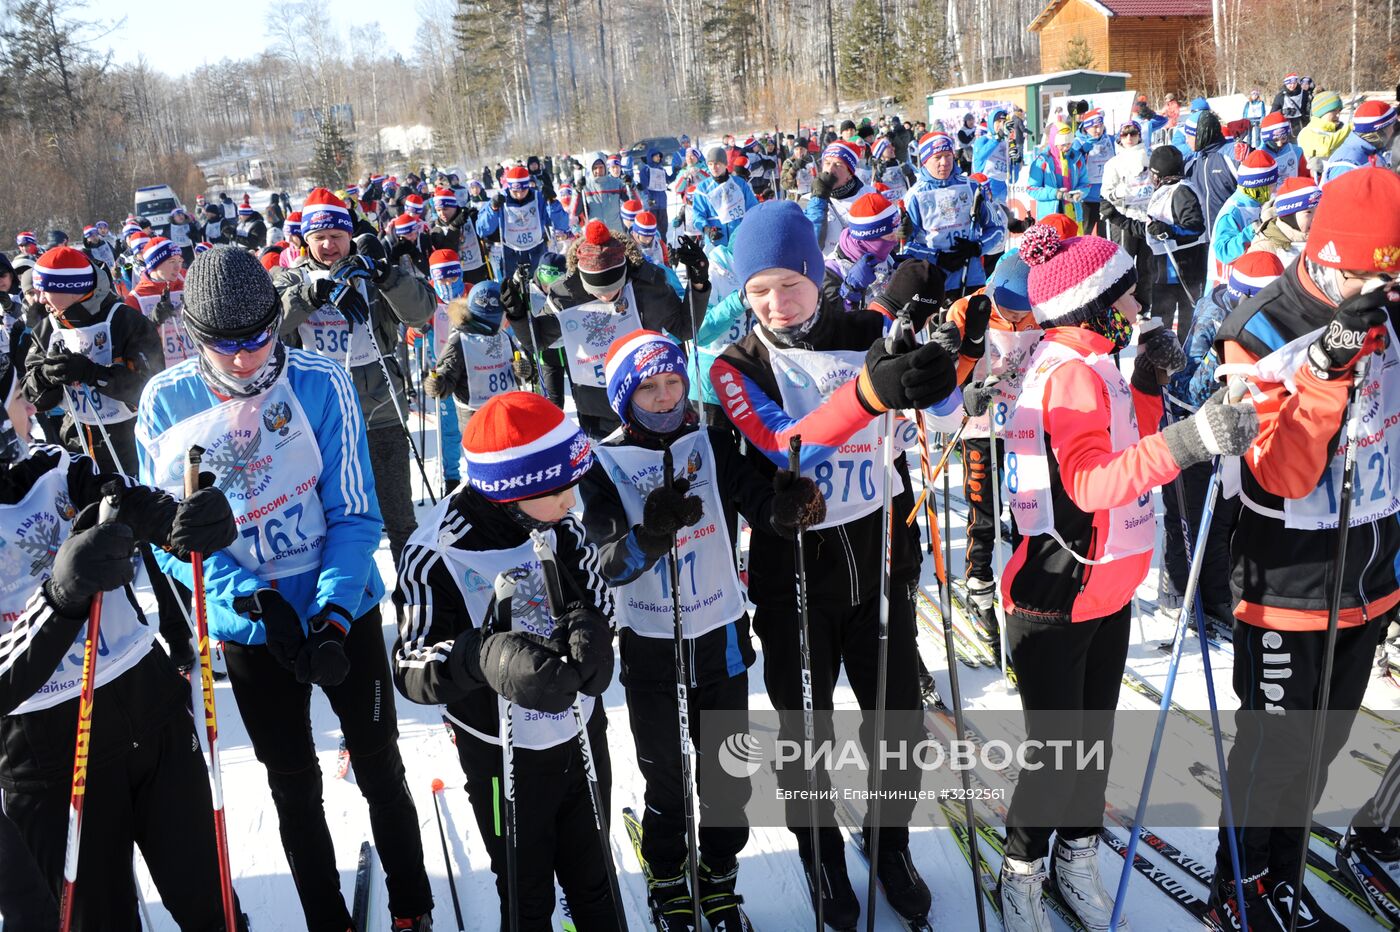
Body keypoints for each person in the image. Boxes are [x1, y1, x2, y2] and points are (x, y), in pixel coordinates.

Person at [137, 245, 435, 931]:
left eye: (260, 338)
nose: (247, 359)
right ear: (193, 335)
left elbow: (355, 514)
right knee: (293, 783)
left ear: (279, 318)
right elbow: (173, 539)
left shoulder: (320, 382)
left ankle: (412, 908)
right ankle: (326, 918)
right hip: (254, 628)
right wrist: (250, 601)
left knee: (378, 762)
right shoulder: (167, 402)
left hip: (342, 609)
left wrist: (330, 613)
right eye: (227, 346)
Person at [995, 223, 1257, 931]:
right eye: (1129, 295)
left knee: (1093, 744)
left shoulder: (1096, 357)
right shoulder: (1072, 370)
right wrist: (1191, 440)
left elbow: (1129, 437)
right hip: (1053, 596)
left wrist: (1147, 385)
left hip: (1103, 586)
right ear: (1091, 306)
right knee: (1056, 757)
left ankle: (1076, 853)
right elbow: (1089, 481)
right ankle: (1020, 870)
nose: (1141, 304)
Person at [709, 200, 959, 928]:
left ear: (817, 275)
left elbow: (943, 417)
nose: (776, 303)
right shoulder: (735, 365)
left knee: (896, 721)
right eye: (759, 289)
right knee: (806, 730)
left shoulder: (866, 333)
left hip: (879, 556)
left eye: (789, 283)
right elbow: (780, 441)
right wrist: (769, 504)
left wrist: (940, 377)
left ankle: (890, 846)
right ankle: (819, 856)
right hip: (797, 575)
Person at [1207, 166, 1400, 932]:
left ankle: (1278, 880)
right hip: (1286, 583)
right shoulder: (1260, 326)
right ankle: (1240, 889)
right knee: (1274, 754)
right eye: (1365, 274)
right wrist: (1325, 373)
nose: (1377, 291)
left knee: (1322, 748)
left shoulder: (1391, 310)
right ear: (1324, 255)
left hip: (1371, 578)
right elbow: (1280, 470)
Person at [579, 329, 824, 929]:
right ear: (623, 398)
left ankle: (718, 873)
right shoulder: (603, 462)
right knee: (666, 778)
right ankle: (666, 877)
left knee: (726, 775)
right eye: (649, 389)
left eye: (673, 383)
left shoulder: (711, 441)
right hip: (651, 645)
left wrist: (783, 508)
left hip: (721, 636)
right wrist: (651, 535)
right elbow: (609, 563)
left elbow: (753, 498)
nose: (665, 399)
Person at [0, 347, 245, 931]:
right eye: (14, 399)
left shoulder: (46, 465)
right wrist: (58, 600)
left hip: (147, 699)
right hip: (49, 748)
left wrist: (179, 519)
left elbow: (120, 497)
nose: (27, 408)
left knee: (212, 906)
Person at [392, 391, 617, 932]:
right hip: (501, 753)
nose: (571, 499)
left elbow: (599, 595)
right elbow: (410, 665)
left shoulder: (560, 523)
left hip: (579, 730)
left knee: (594, 875)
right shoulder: (438, 551)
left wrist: (592, 628)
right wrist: (483, 657)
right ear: (510, 493)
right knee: (524, 884)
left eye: (572, 485)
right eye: (559, 489)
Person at [272, 187, 434, 564]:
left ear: (349, 236)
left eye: (337, 236)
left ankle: (412, 598)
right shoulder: (289, 279)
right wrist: (312, 295)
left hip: (380, 412)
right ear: (305, 239)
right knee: (332, 526)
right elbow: (271, 327)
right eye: (319, 237)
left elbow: (420, 313)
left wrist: (383, 275)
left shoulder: (371, 270)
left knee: (399, 519)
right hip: (318, 419)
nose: (329, 245)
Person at [1156, 249, 1283, 628]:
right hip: (1192, 428)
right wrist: (1225, 371)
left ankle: (1214, 595)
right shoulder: (1215, 321)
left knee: (1224, 516)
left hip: (1229, 430)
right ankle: (1176, 589)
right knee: (1189, 517)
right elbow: (1188, 389)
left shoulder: (1253, 319)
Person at [503, 219, 703, 439]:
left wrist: (698, 285)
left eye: (613, 287)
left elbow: (684, 328)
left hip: (651, 403)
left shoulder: (648, 285)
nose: (606, 296)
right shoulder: (567, 294)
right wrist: (518, 314)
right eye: (596, 291)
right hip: (598, 410)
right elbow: (537, 341)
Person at [945, 249, 1040, 653]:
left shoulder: (1041, 310)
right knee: (983, 510)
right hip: (978, 423)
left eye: (1025, 314)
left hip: (1024, 422)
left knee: (1027, 508)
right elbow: (943, 378)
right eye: (1011, 312)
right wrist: (964, 391)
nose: (1019, 321)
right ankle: (979, 587)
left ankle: (1025, 589)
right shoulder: (967, 310)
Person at [425, 274, 528, 436]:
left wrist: (523, 370)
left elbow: (520, 373)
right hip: (475, 415)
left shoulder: (503, 336)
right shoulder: (461, 339)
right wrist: (439, 384)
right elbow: (448, 377)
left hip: (506, 411)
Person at [903, 131, 998, 299]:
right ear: (925, 161)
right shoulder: (915, 195)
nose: (944, 162)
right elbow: (906, 246)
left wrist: (977, 247)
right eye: (937, 157)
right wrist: (937, 258)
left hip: (972, 278)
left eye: (948, 155)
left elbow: (997, 230)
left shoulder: (972, 187)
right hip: (935, 279)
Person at [1144, 145, 1208, 338]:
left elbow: (1195, 227)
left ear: (1160, 174)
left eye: (1153, 173)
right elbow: (1153, 226)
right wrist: (1118, 218)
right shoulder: (1166, 189)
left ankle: (1183, 364)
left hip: (1183, 269)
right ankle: (1158, 364)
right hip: (1165, 270)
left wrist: (1168, 231)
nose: (1150, 178)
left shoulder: (1182, 191)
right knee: (1159, 327)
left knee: (1185, 328)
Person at [478, 165, 571, 281]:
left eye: (523, 190)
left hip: (537, 250)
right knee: (511, 290)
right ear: (509, 187)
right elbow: (482, 229)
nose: (519, 195)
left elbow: (562, 224)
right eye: (515, 191)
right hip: (510, 252)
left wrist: (553, 204)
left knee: (540, 286)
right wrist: (493, 209)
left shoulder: (538, 198)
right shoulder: (500, 200)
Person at [1100, 122, 1156, 311]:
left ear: (1140, 135)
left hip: (1147, 217)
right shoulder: (1114, 163)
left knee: (1147, 266)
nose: (1130, 138)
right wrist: (1120, 192)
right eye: (1125, 135)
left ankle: (1144, 307)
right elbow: (1106, 192)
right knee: (1123, 265)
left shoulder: (1150, 157)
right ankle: (1120, 305)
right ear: (1119, 138)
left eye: (1133, 133)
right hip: (1124, 218)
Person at [1208, 149, 1279, 287]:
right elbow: (1223, 252)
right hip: (1225, 285)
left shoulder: (1258, 204)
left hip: (1246, 279)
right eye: (1271, 185)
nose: (1274, 189)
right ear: (1259, 185)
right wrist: (1254, 229)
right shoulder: (1234, 210)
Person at [124, 236, 196, 369]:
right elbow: (129, 342)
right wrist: (153, 320)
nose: (177, 267)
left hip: (196, 365)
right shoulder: (136, 298)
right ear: (154, 263)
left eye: (179, 261)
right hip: (162, 373)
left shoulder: (189, 284)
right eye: (171, 261)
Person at [824, 192, 901, 312]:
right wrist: (850, 292)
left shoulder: (884, 255)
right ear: (870, 238)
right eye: (890, 237)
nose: (895, 242)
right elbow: (829, 322)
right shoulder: (831, 271)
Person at [803, 139, 874, 253]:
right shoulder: (807, 200)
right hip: (826, 268)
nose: (830, 170)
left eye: (838, 165)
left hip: (861, 267)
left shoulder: (870, 196)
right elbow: (811, 246)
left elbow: (887, 240)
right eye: (827, 163)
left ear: (849, 174)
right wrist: (819, 198)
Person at [690, 147, 758, 249]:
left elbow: (753, 209)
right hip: (715, 243)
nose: (714, 167)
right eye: (710, 164)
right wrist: (707, 230)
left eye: (717, 163)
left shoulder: (739, 184)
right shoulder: (702, 189)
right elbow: (697, 216)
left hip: (740, 240)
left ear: (725, 164)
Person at [1185, 110, 1239, 233]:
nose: (1186, 140)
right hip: (1203, 240)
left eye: (1189, 136)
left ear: (1201, 135)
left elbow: (1258, 194)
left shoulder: (1232, 156)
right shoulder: (1191, 162)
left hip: (1233, 237)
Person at [1026, 124, 1088, 227]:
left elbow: (1085, 183)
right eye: (1062, 145)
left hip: (1072, 211)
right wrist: (1055, 193)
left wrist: (1080, 193)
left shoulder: (1077, 158)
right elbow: (1031, 188)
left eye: (1069, 144)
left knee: (1074, 242)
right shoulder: (1042, 161)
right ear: (1054, 142)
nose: (1066, 148)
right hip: (1050, 215)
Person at [427, 186, 491, 285]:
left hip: (478, 267)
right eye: (438, 210)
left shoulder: (470, 217)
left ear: (454, 206)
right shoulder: (437, 230)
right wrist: (454, 227)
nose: (442, 213)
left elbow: (486, 231)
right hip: (455, 274)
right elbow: (448, 251)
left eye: (445, 209)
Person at [1249, 176, 1320, 263]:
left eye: (1320, 210)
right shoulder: (1265, 250)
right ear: (1290, 216)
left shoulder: (1325, 237)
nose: (1317, 218)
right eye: (1308, 212)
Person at [1322, 100, 1397, 183]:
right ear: (1380, 131)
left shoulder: (1373, 151)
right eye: (1392, 126)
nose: (1393, 130)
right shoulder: (1347, 165)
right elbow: (1340, 195)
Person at [1297, 91, 1351, 171]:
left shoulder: (1338, 130)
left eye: (1339, 111)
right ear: (1321, 112)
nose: (1338, 115)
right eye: (1334, 111)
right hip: (1320, 181)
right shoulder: (1307, 133)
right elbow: (1325, 146)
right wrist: (1350, 128)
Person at [971, 110, 1011, 202]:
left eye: (1004, 122)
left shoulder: (1006, 143)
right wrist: (997, 138)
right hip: (986, 184)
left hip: (1002, 186)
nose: (1001, 124)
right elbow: (980, 156)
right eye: (998, 121)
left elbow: (1013, 177)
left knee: (1002, 215)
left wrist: (1016, 161)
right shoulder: (983, 140)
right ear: (991, 123)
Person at [1258, 111, 1309, 181]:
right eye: (1275, 140)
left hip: (1292, 190)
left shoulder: (1296, 152)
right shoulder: (1260, 155)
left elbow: (1305, 176)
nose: (1280, 144)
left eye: (1283, 139)